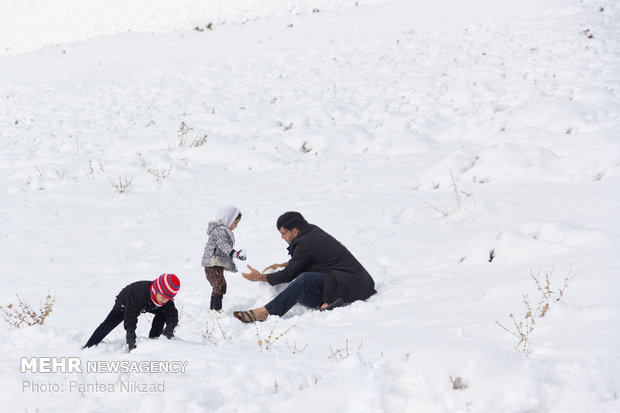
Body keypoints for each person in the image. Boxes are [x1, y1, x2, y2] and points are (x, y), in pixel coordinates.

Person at [233, 211, 376, 323]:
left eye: (284, 233)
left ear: (294, 231)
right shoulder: (309, 232)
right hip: (351, 281)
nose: (282, 238)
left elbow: (288, 274)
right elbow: (307, 260)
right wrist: (283, 264)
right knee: (300, 292)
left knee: (304, 280)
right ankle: (331, 302)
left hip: (352, 283)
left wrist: (260, 277)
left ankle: (264, 312)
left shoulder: (305, 242)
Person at [83, 273, 180, 352]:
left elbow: (173, 315)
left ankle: (154, 339)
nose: (164, 301)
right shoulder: (139, 294)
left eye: (168, 299)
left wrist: (169, 330)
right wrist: (131, 338)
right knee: (108, 324)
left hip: (147, 304)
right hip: (125, 302)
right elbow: (130, 317)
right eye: (163, 298)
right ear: (156, 290)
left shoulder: (164, 299)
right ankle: (88, 347)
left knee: (163, 312)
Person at [201, 206, 246, 316]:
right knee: (220, 285)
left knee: (218, 285)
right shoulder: (221, 230)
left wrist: (232, 262)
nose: (236, 226)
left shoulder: (221, 230)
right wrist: (234, 253)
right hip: (212, 263)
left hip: (215, 264)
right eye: (235, 223)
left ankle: (213, 309)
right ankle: (216, 309)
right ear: (228, 220)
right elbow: (223, 246)